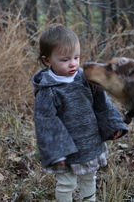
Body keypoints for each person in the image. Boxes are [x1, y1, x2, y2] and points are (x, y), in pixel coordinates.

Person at [32, 24, 128, 202]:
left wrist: (113, 124)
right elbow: (46, 122)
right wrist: (56, 153)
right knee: (66, 184)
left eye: (76, 57)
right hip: (66, 151)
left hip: (89, 142)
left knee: (89, 179)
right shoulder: (48, 90)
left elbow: (102, 103)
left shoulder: (85, 78)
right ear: (47, 61)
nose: (73, 63)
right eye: (65, 59)